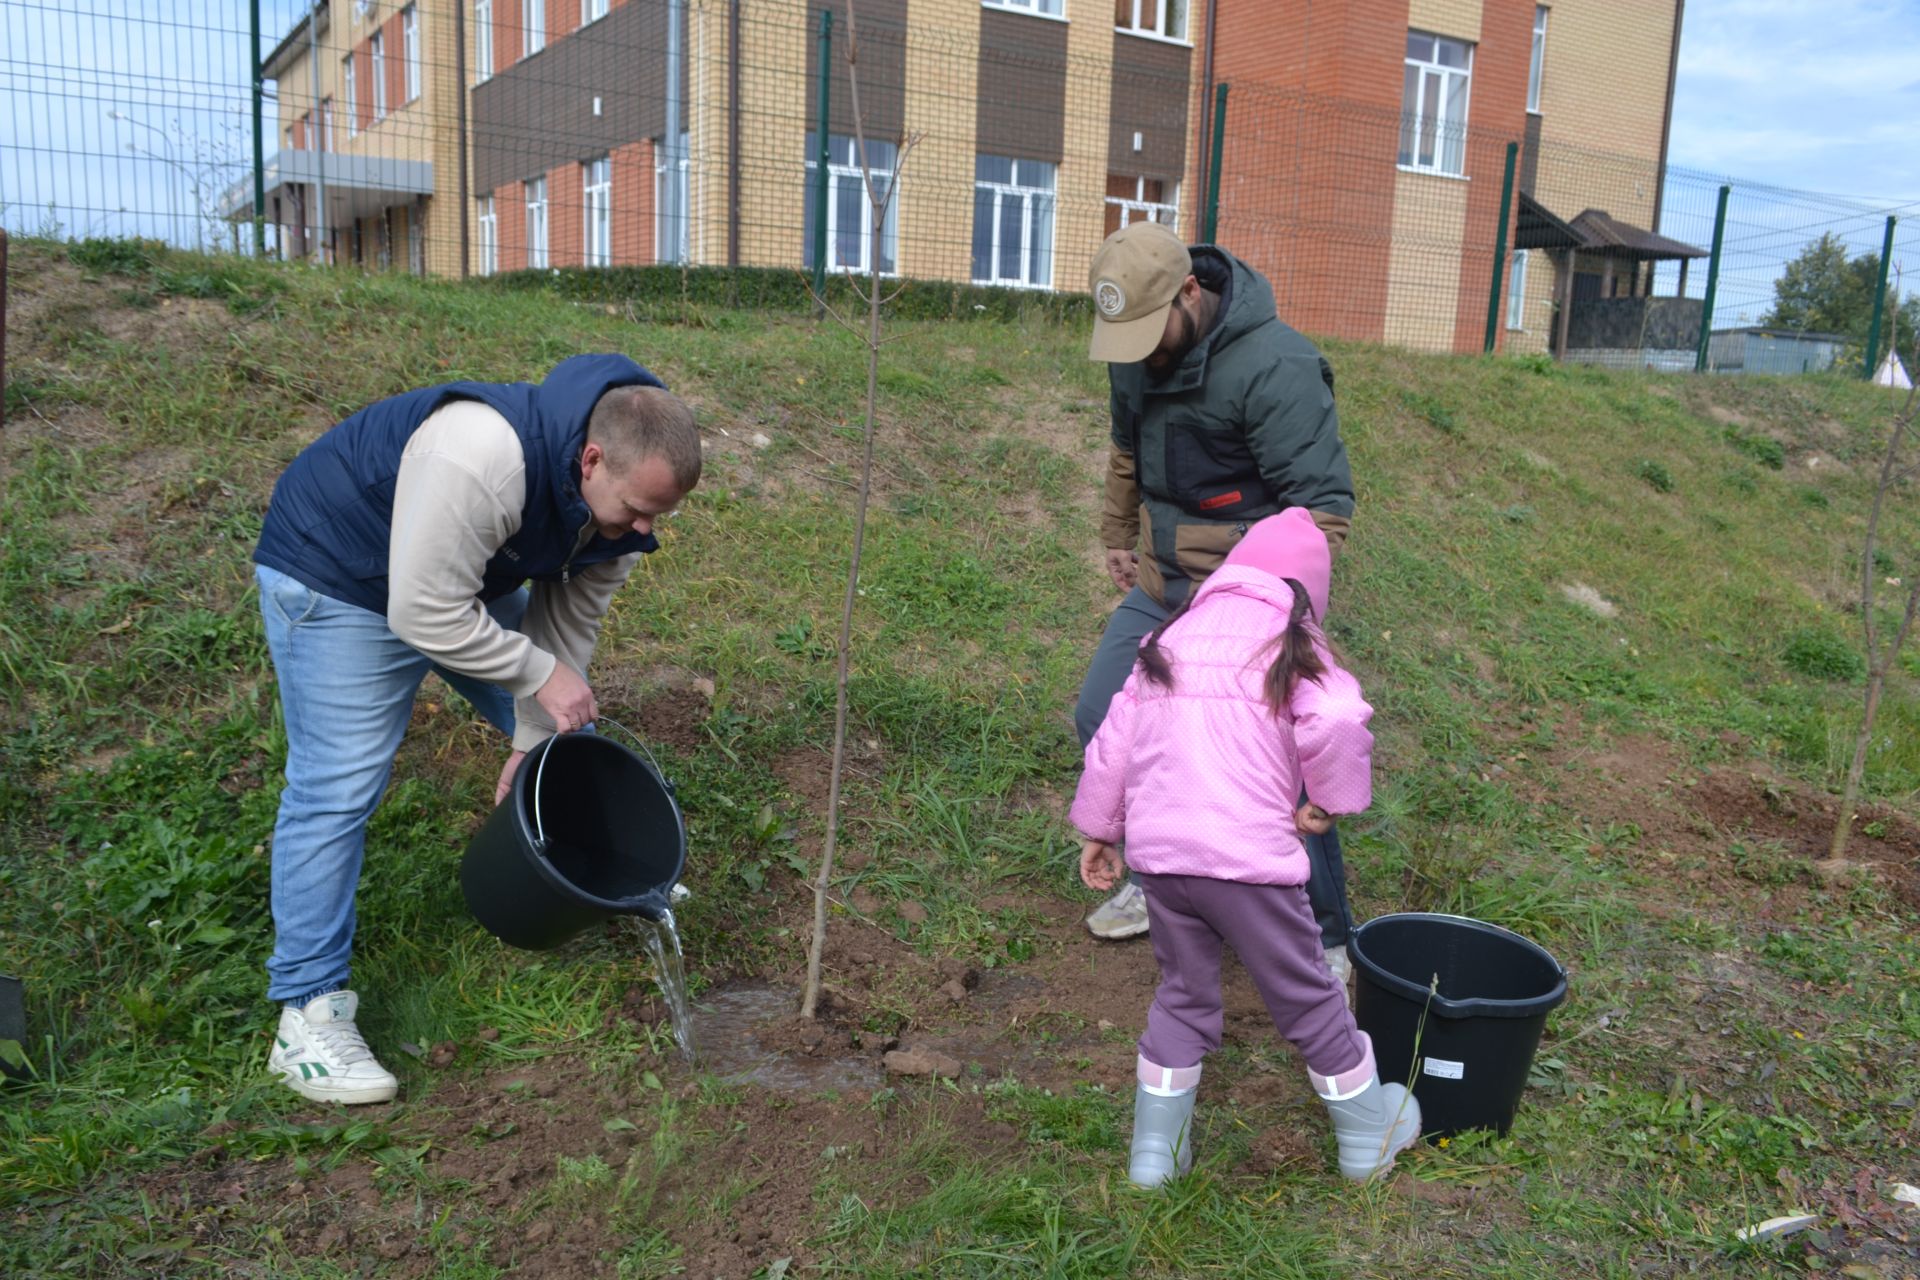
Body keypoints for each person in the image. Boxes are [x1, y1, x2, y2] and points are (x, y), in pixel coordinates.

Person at [251, 353, 701, 1105]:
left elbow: (568, 626)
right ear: (592, 459)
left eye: (660, 514)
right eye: (636, 510)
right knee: (339, 785)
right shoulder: (478, 456)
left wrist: (533, 736)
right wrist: (537, 678)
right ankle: (308, 1013)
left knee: (565, 724)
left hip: (449, 579)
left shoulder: (619, 509)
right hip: (340, 573)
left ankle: (598, 874)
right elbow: (420, 613)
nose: (646, 529)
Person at [1070, 509, 1419, 1187]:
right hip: (1248, 867)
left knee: (1182, 995)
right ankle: (1366, 1139)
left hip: (1162, 862)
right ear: (1305, 592)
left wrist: (1099, 830)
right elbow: (1341, 717)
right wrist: (1328, 800)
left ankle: (1153, 1159)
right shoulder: (1289, 641)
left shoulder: (1170, 635)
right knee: (1310, 998)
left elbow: (1114, 739)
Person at [1078, 221, 1358, 987]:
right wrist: (1116, 530)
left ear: (1191, 293)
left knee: (1283, 748)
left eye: (1146, 330)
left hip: (1251, 592)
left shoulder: (1278, 368)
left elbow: (1322, 511)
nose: (1135, 350)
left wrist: (1268, 610)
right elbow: (1127, 451)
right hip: (1163, 582)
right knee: (1106, 713)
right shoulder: (1135, 350)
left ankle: (1326, 935)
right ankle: (1158, 877)